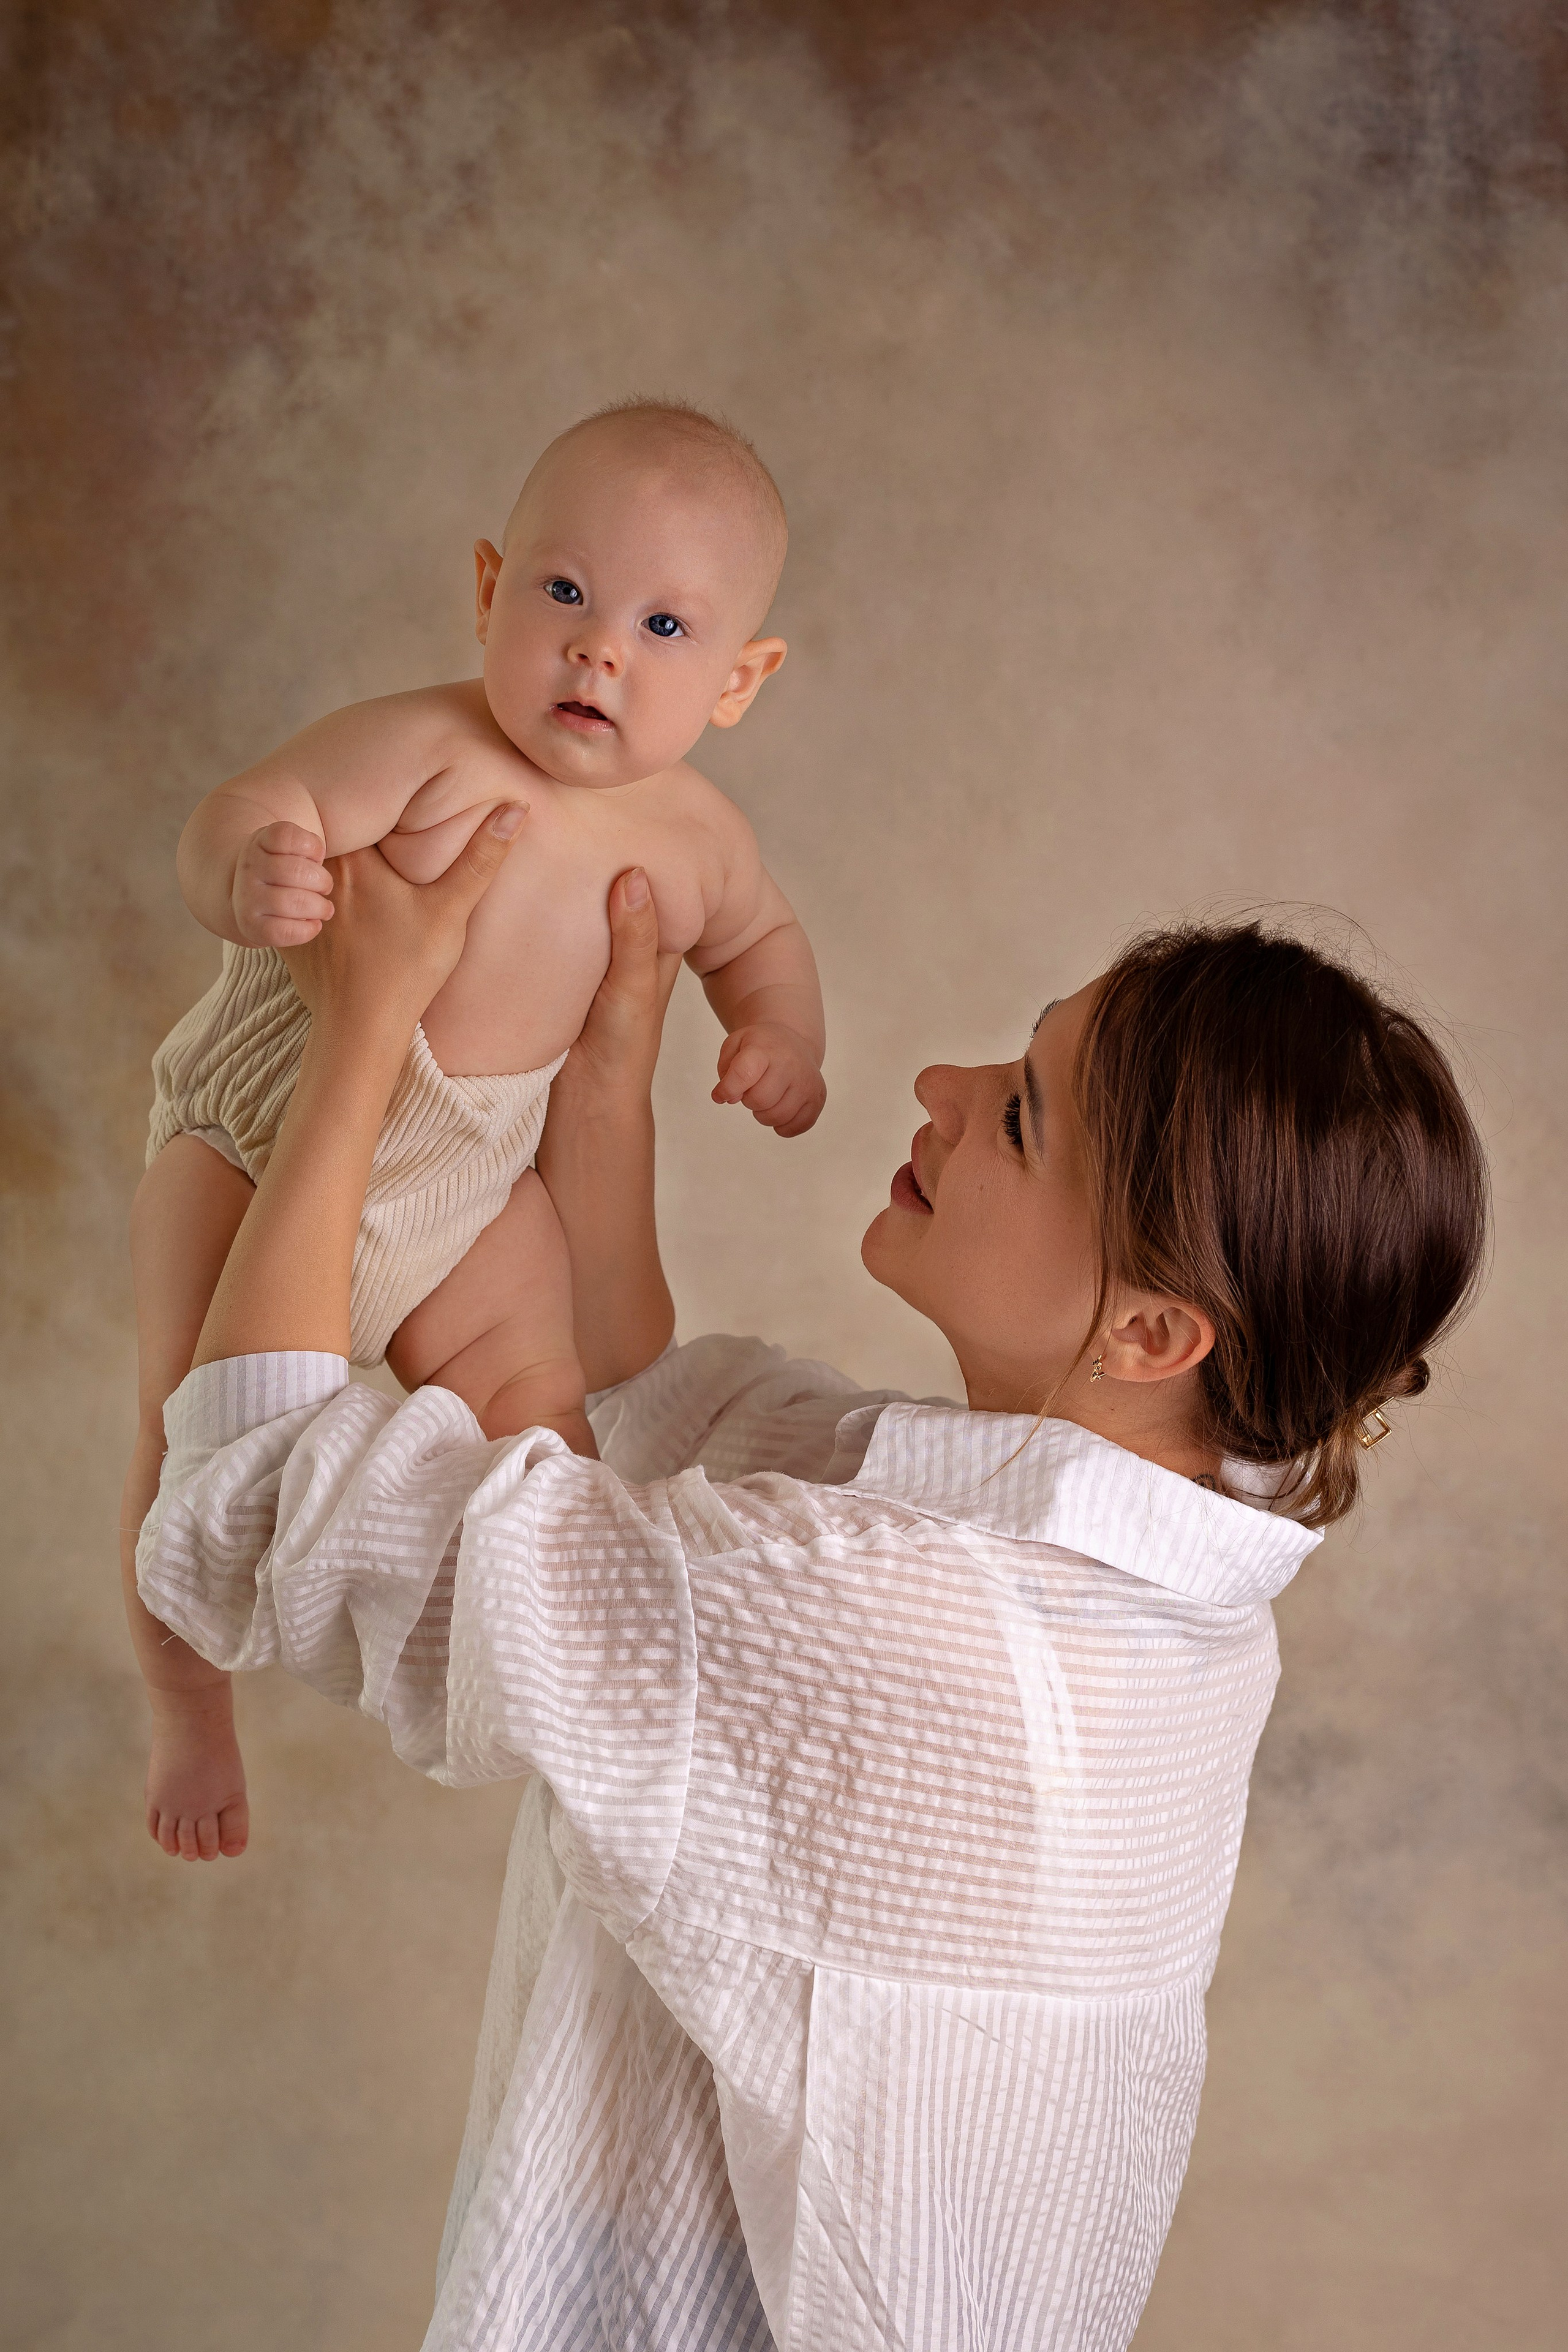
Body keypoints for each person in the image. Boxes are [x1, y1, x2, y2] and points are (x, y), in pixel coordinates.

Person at [136, 818, 1487, 2351]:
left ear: (1152, 1335)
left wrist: (361, 1033)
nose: (944, 1092)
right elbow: (643, 1428)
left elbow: (254, 1495)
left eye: (1024, 1118)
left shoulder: (899, 1631)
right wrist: (605, 1068)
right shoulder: (1162, 1606)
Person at [122, 399, 827, 1867]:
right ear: (491, 587)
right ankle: (185, 1695)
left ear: (741, 679)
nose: (598, 650)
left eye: (662, 626)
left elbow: (760, 944)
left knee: (542, 1411)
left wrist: (779, 1039)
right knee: (187, 1441)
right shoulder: (425, 745)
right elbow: (247, 808)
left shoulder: (697, 841)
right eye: (564, 594)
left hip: (474, 1178)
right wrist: (248, 872)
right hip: (261, 1128)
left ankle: (563, 1646)